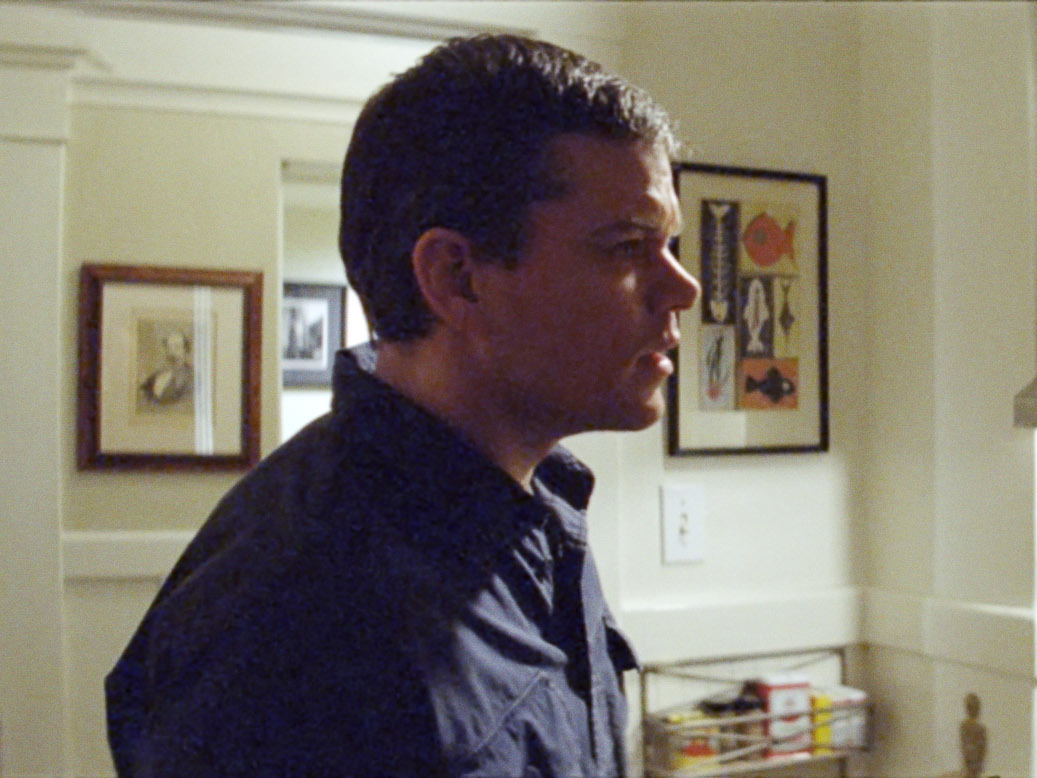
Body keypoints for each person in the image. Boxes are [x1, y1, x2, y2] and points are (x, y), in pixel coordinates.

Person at [105, 34, 698, 777]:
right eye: (627, 246)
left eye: (669, 244)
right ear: (458, 279)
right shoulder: (291, 616)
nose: (683, 288)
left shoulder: (538, 511)